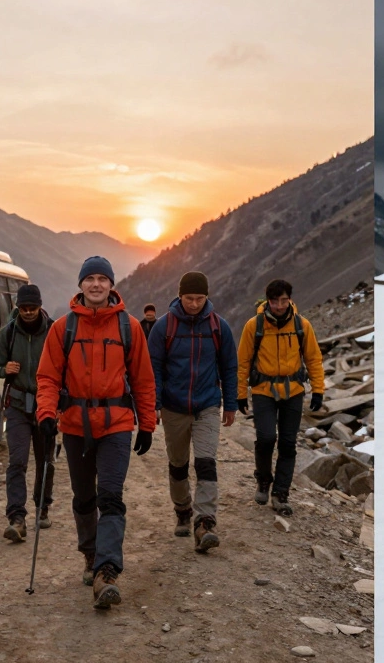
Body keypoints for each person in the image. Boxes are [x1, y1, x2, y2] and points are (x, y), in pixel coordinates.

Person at [35, 256, 157, 610]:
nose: (97, 285)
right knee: (83, 497)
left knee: (111, 496)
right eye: (91, 279)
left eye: (103, 279)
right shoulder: (63, 328)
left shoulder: (128, 327)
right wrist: (46, 413)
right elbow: (47, 377)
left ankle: (107, 571)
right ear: (81, 284)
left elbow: (144, 380)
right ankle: (90, 554)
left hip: (117, 423)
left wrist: (146, 424)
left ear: (112, 285)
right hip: (74, 424)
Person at [147, 271, 238, 552]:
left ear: (207, 297)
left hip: (208, 405)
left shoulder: (218, 327)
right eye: (190, 298)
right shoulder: (164, 327)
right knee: (178, 465)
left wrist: (231, 403)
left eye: (200, 298)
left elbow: (230, 368)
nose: (195, 304)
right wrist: (155, 404)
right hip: (174, 408)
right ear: (179, 296)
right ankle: (183, 511)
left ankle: (205, 522)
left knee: (206, 462)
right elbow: (154, 369)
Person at [236, 279, 324, 516]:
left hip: (293, 391)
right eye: (275, 301)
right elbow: (243, 362)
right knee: (265, 438)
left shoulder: (301, 325)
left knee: (287, 444)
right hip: (263, 390)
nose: (279, 306)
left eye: (284, 300)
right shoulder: (253, 326)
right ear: (268, 301)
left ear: (290, 299)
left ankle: (281, 493)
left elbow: (313, 359)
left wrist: (318, 390)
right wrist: (240, 394)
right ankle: (264, 480)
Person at [0, 283, 55, 543]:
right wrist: (6, 369)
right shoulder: (8, 333)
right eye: (24, 308)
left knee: (46, 460)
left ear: (40, 307)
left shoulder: (53, 332)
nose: (28, 312)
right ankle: (17, 518)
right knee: (17, 461)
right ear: (18, 307)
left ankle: (43, 507)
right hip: (16, 405)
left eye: (33, 307)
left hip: (46, 405)